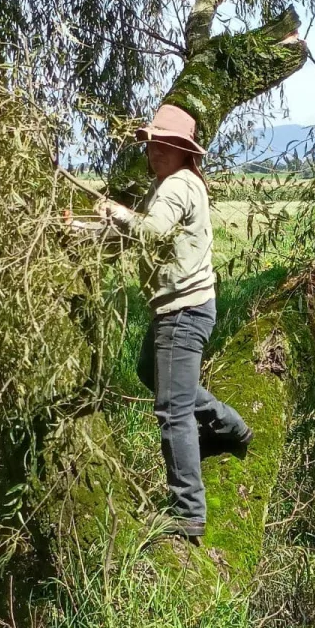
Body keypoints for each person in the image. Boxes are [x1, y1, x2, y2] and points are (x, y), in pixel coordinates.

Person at [97, 104, 252, 542]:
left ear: (183, 150)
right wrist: (91, 227)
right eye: (151, 143)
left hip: (182, 311)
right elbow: (136, 228)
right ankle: (229, 425)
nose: (153, 151)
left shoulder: (177, 186)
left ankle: (188, 513)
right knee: (150, 370)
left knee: (172, 410)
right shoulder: (170, 184)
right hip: (183, 307)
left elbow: (150, 230)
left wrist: (120, 214)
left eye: (163, 144)